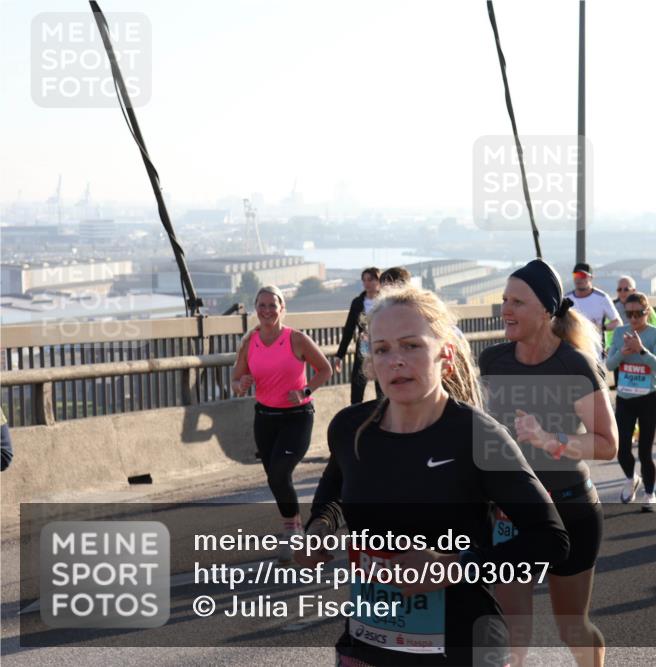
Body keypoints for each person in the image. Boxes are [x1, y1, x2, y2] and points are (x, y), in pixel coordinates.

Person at [302, 285, 570, 666]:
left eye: (411, 345)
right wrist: (320, 527)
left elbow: (552, 540)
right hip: (368, 644)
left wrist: (456, 566)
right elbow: (334, 489)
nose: (396, 360)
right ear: (371, 362)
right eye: (382, 349)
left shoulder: (479, 435)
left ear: (444, 355)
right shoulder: (350, 428)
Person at [479, 259, 618, 667]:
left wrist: (550, 440)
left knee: (572, 626)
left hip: (570, 506)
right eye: (504, 300)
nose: (506, 310)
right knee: (512, 627)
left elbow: (607, 444)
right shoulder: (492, 361)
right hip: (511, 513)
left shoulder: (573, 365)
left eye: (517, 302)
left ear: (546, 309)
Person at [231, 285, 333, 564]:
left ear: (282, 308)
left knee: (279, 473)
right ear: (256, 309)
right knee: (275, 478)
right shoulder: (249, 341)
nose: (266, 311)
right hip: (265, 419)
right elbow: (236, 381)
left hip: (297, 418)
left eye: (272, 305)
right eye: (261, 305)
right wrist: (242, 383)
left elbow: (325, 369)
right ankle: (295, 526)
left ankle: (293, 535)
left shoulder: (296, 339)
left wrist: (306, 391)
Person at [606, 292, 656, 511]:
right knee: (621, 449)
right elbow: (610, 364)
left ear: (647, 312)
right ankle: (632, 478)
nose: (633, 319)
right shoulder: (620, 332)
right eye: (628, 314)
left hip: (649, 398)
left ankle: (650, 495)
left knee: (645, 452)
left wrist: (641, 350)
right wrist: (623, 352)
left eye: (638, 314)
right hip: (625, 398)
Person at [334, 267, 382, 404]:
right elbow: (349, 329)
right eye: (364, 280)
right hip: (364, 348)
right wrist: (340, 355)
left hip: (383, 348)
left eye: (370, 279)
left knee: (383, 390)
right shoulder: (357, 302)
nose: (367, 283)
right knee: (357, 388)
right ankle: (355, 420)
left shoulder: (386, 301)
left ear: (378, 280)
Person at [564, 262, 621, 352]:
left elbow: (617, 322)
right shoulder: (566, 298)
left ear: (591, 278)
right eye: (576, 275)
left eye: (582, 275)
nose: (579, 279)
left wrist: (601, 328)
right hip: (573, 350)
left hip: (596, 353)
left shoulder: (602, 297)